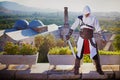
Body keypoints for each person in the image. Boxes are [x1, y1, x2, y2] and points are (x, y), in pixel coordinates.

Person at [66, 5, 106, 75]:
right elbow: (73, 26)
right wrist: (69, 34)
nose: (87, 14)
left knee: (95, 55)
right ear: (83, 13)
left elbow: (98, 29)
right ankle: (76, 69)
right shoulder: (80, 18)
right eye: (85, 13)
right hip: (82, 40)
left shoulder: (94, 18)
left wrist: (102, 37)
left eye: (88, 13)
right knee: (79, 55)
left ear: (90, 12)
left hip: (90, 39)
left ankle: (99, 69)